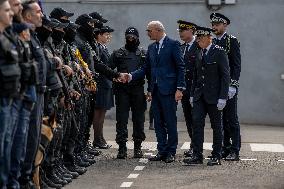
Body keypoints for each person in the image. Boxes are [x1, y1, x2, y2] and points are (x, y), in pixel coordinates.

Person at [126, 21, 185, 163]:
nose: (147, 33)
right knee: (158, 123)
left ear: (158, 30)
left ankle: (171, 151)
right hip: (156, 91)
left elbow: (180, 67)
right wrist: (131, 75)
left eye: (149, 31)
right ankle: (162, 150)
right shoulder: (151, 48)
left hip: (170, 90)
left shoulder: (173, 44)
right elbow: (146, 68)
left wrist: (180, 88)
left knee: (170, 121)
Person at [183, 26, 230, 166]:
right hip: (199, 96)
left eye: (201, 38)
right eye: (197, 38)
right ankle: (197, 155)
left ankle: (216, 155)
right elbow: (196, 75)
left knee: (216, 126)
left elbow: (225, 76)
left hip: (214, 97)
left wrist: (223, 96)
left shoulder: (219, 52)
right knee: (196, 124)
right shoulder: (199, 52)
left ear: (209, 38)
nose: (198, 41)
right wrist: (192, 94)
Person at [20, 1, 46, 188]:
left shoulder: (33, 36)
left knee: (34, 139)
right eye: (38, 12)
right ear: (28, 15)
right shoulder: (22, 35)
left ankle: (27, 178)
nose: (41, 15)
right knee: (24, 140)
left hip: (37, 93)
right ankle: (22, 179)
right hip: (25, 96)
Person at [109, 27, 147, 159]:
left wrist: (149, 90)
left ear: (137, 37)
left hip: (138, 90)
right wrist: (114, 77)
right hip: (122, 91)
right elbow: (108, 70)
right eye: (128, 37)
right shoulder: (118, 53)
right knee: (121, 119)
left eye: (133, 37)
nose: (130, 39)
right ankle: (122, 148)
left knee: (138, 119)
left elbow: (149, 72)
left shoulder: (143, 53)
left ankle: (137, 147)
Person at [210, 13, 241, 161]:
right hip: (217, 87)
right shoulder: (213, 42)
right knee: (220, 120)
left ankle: (235, 150)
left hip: (228, 87)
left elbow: (236, 65)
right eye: (213, 24)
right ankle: (225, 148)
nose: (214, 27)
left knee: (231, 119)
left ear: (225, 25)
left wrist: (233, 85)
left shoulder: (231, 41)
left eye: (217, 24)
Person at [0, 0, 20, 187]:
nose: (12, 13)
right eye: (7, 10)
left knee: (8, 144)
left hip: (11, 98)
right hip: (3, 100)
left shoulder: (8, 37)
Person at [177, 20, 200, 158]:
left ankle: (197, 147)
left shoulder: (199, 46)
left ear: (191, 31)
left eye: (183, 31)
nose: (180, 33)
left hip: (197, 89)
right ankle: (193, 145)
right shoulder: (181, 48)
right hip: (185, 89)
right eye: (179, 31)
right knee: (189, 119)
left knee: (197, 119)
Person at [92, 25, 114, 149]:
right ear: (99, 35)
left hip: (106, 83)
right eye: (106, 34)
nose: (108, 37)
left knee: (102, 112)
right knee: (99, 112)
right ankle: (97, 139)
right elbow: (100, 66)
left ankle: (100, 137)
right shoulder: (97, 48)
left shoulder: (103, 47)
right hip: (101, 83)